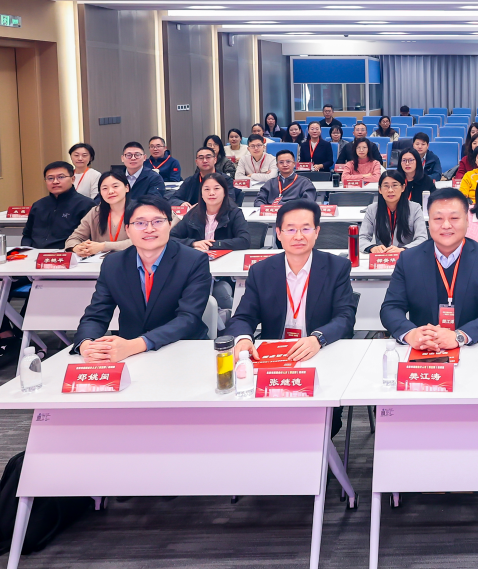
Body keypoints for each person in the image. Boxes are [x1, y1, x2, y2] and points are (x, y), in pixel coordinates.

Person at [225, 199, 356, 434]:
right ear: (278, 233)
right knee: (257, 417)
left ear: (317, 232)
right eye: (290, 229)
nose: (299, 236)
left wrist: (318, 338)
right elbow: (243, 317)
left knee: (325, 422)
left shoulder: (337, 267)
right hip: (274, 356)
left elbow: (345, 317)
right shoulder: (261, 271)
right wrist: (243, 339)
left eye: (306, 228)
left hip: (319, 353)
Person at [73, 195, 213, 362]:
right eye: (140, 223)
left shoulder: (194, 261)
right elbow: (96, 314)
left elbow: (188, 318)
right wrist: (87, 344)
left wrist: (136, 345)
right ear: (128, 229)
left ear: (170, 225)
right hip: (129, 355)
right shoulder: (113, 264)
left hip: (182, 350)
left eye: (157, 222)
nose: (149, 229)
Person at [380, 188, 478, 351]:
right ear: (429, 222)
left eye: (454, 218)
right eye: (438, 218)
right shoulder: (409, 259)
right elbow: (391, 308)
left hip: (474, 349)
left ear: (467, 221)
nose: (446, 225)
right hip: (424, 349)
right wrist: (410, 334)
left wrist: (459, 336)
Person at [170, 173, 249, 324]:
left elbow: (244, 240)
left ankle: (215, 321)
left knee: (214, 291)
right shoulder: (194, 213)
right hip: (196, 267)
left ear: (224, 191)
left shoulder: (234, 212)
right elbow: (171, 237)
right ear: (201, 193)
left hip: (224, 269)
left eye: (216, 188)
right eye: (206, 189)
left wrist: (212, 245)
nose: (211, 193)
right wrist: (193, 243)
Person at [23, 161, 95, 249]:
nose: (55, 181)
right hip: (35, 254)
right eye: (50, 178)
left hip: (68, 253)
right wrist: (26, 250)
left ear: (73, 179)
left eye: (61, 177)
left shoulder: (86, 204)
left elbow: (91, 237)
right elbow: (27, 235)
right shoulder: (38, 205)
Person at [67, 171, 133, 257]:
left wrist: (103, 246)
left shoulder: (139, 211)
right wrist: (77, 247)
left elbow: (141, 241)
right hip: (99, 263)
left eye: (115, 186)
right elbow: (73, 238)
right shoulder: (95, 212)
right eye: (105, 188)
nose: (110, 191)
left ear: (127, 188)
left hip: (131, 260)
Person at [359, 170, 427, 254]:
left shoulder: (415, 208)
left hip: (406, 256)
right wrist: (372, 248)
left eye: (394, 185)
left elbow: (422, 238)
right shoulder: (372, 209)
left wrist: (403, 249)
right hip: (382, 256)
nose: (390, 190)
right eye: (386, 186)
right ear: (380, 189)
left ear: (403, 188)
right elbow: (362, 238)